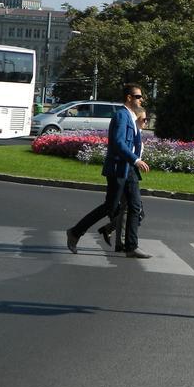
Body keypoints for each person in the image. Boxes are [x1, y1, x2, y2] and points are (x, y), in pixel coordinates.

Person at [66, 84, 151, 258]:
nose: (141, 99)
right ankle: (75, 232)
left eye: (141, 96)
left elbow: (133, 144)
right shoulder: (121, 116)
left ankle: (131, 247)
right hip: (118, 168)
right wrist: (136, 159)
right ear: (128, 98)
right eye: (138, 96)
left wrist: (135, 161)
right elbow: (118, 143)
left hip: (130, 169)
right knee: (109, 206)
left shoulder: (132, 118)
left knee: (135, 207)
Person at [104, 107, 147, 252]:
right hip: (122, 171)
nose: (146, 122)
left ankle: (125, 242)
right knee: (120, 207)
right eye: (143, 119)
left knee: (132, 208)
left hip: (130, 172)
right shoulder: (126, 122)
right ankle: (120, 241)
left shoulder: (138, 134)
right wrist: (136, 161)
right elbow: (120, 145)